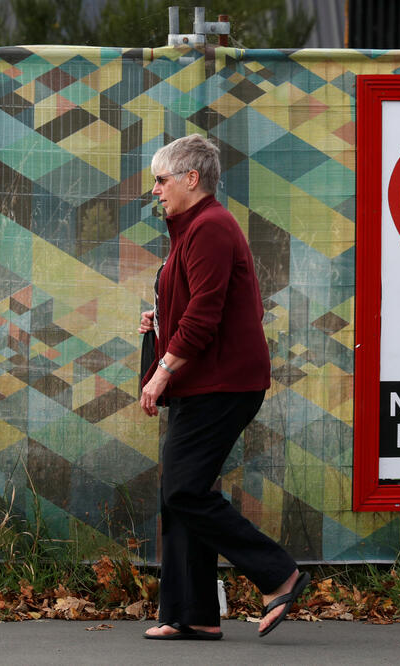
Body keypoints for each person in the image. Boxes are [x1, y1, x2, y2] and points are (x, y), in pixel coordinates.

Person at [139, 134, 309, 640]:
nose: (156, 190)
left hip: (223, 383)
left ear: (192, 179)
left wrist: (163, 369)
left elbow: (206, 316)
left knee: (185, 489)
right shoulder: (190, 229)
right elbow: (196, 301)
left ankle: (278, 573)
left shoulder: (209, 227)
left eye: (162, 179)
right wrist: (159, 319)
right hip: (204, 380)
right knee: (181, 492)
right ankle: (191, 614)